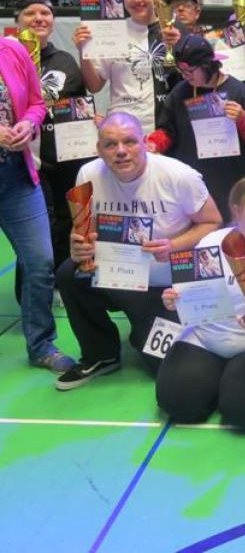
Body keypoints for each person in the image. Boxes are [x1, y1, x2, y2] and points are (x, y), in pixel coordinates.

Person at [55, 112, 222, 390]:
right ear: (99, 149)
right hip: (120, 277)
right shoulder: (88, 174)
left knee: (169, 371)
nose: (120, 151)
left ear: (144, 143)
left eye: (129, 142)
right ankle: (101, 354)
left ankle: (148, 328)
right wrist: (79, 245)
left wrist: (173, 245)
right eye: (110, 144)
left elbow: (213, 221)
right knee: (69, 273)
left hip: (167, 286)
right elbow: (85, 229)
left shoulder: (178, 175)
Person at [156, 175, 245, 430]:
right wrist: (174, 299)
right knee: (177, 403)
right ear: (237, 209)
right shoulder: (210, 243)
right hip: (206, 338)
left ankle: (240, 382)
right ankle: (220, 378)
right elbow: (191, 295)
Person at [0, 33, 75, 372]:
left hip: (16, 177)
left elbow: (36, 102)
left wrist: (28, 124)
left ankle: (41, 345)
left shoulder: (13, 50)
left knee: (40, 261)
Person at [14, 0, 87, 271]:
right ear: (17, 21)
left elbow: (79, 106)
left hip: (63, 158)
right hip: (23, 160)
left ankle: (62, 279)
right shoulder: (6, 59)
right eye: (30, 13)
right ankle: (33, 284)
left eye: (45, 13)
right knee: (33, 231)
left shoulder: (65, 61)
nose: (39, 18)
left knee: (66, 221)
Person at [146, 34, 245, 217]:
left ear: (207, 65)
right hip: (192, 181)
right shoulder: (180, 92)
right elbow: (167, 130)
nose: (185, 76)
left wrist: (243, 119)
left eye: (189, 71)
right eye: (181, 71)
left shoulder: (238, 91)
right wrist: (154, 143)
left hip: (231, 181)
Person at [73, 0, 178, 134]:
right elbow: (94, 86)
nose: (136, 0)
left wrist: (178, 46)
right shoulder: (112, 32)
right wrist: (83, 50)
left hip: (166, 127)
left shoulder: (171, 30)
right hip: (123, 129)